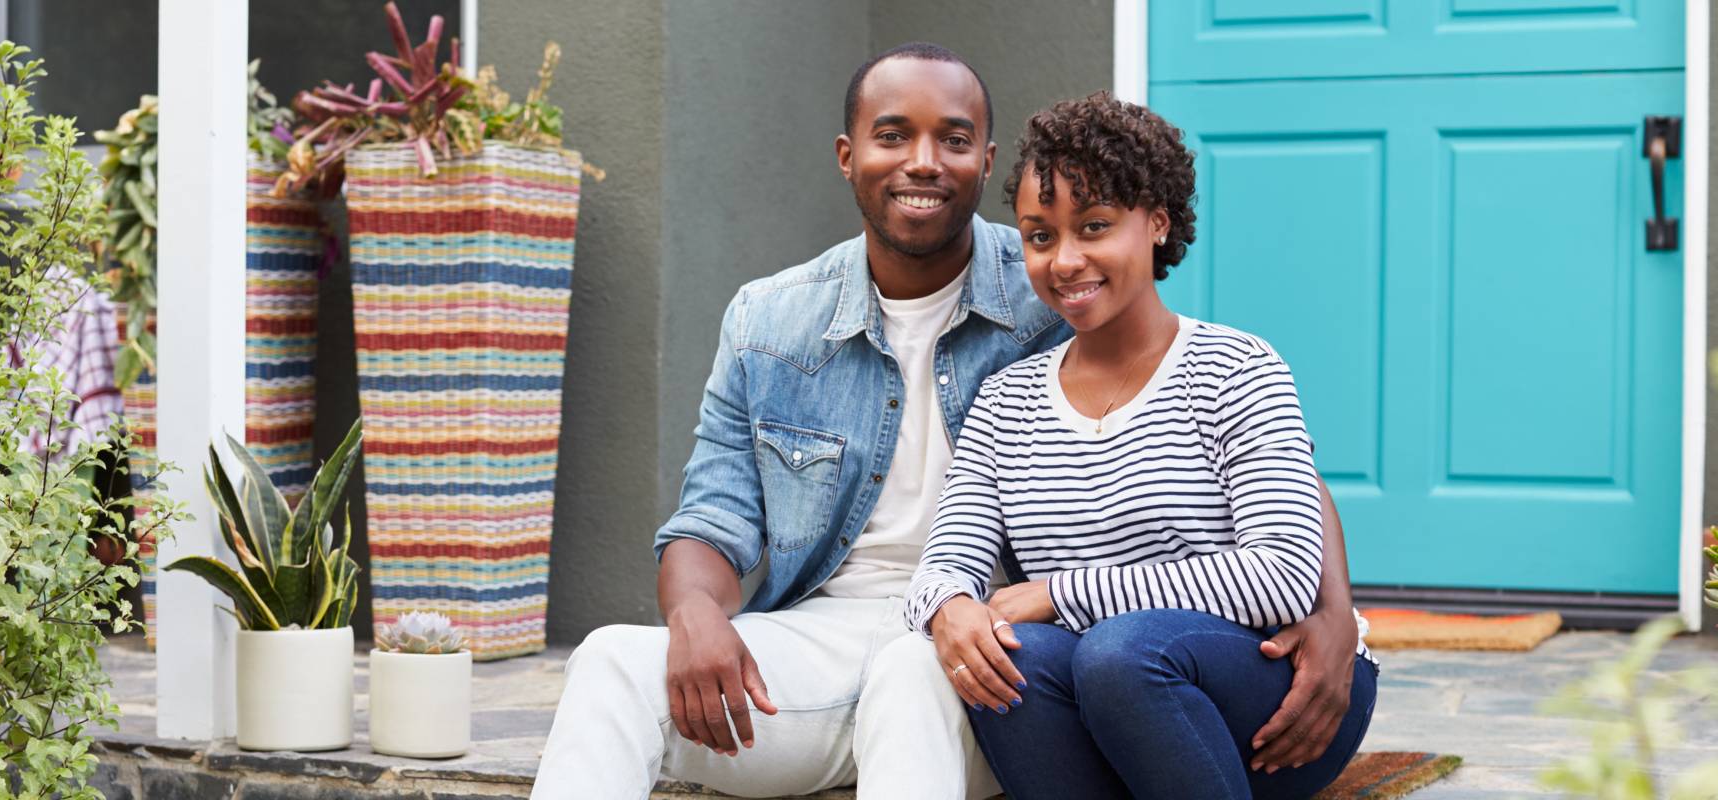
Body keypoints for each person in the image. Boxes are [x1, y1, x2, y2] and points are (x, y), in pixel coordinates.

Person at [532, 45, 1365, 799]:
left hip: (1000, 648)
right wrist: (695, 617)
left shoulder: (1060, 294)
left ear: (986, 161)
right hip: (850, 632)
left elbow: (1274, 474)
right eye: (893, 136)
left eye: (953, 140)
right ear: (848, 155)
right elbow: (712, 512)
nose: (922, 163)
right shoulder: (772, 320)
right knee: (609, 658)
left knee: (932, 670)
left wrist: (1332, 612)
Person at [905, 93, 1379, 799]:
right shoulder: (1006, 401)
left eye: (1094, 227)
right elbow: (946, 563)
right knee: (1014, 658)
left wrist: (1057, 593)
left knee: (1120, 652)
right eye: (1039, 236)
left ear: (1156, 222)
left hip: (1269, 695)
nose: (1065, 261)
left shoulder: (1236, 369)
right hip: (1104, 698)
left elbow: (1281, 573)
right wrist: (950, 609)